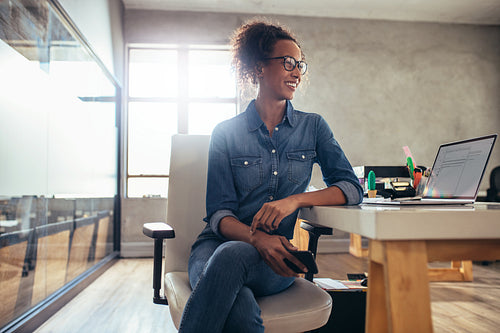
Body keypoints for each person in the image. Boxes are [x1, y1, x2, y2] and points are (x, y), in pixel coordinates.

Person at [178, 19, 363, 333]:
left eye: (300, 65)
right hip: (214, 248)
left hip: (274, 258)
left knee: (232, 263)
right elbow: (219, 214)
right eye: (288, 62)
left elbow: (351, 187)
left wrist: (293, 201)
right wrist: (255, 237)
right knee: (239, 303)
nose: (296, 72)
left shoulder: (314, 127)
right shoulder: (225, 133)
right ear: (259, 68)